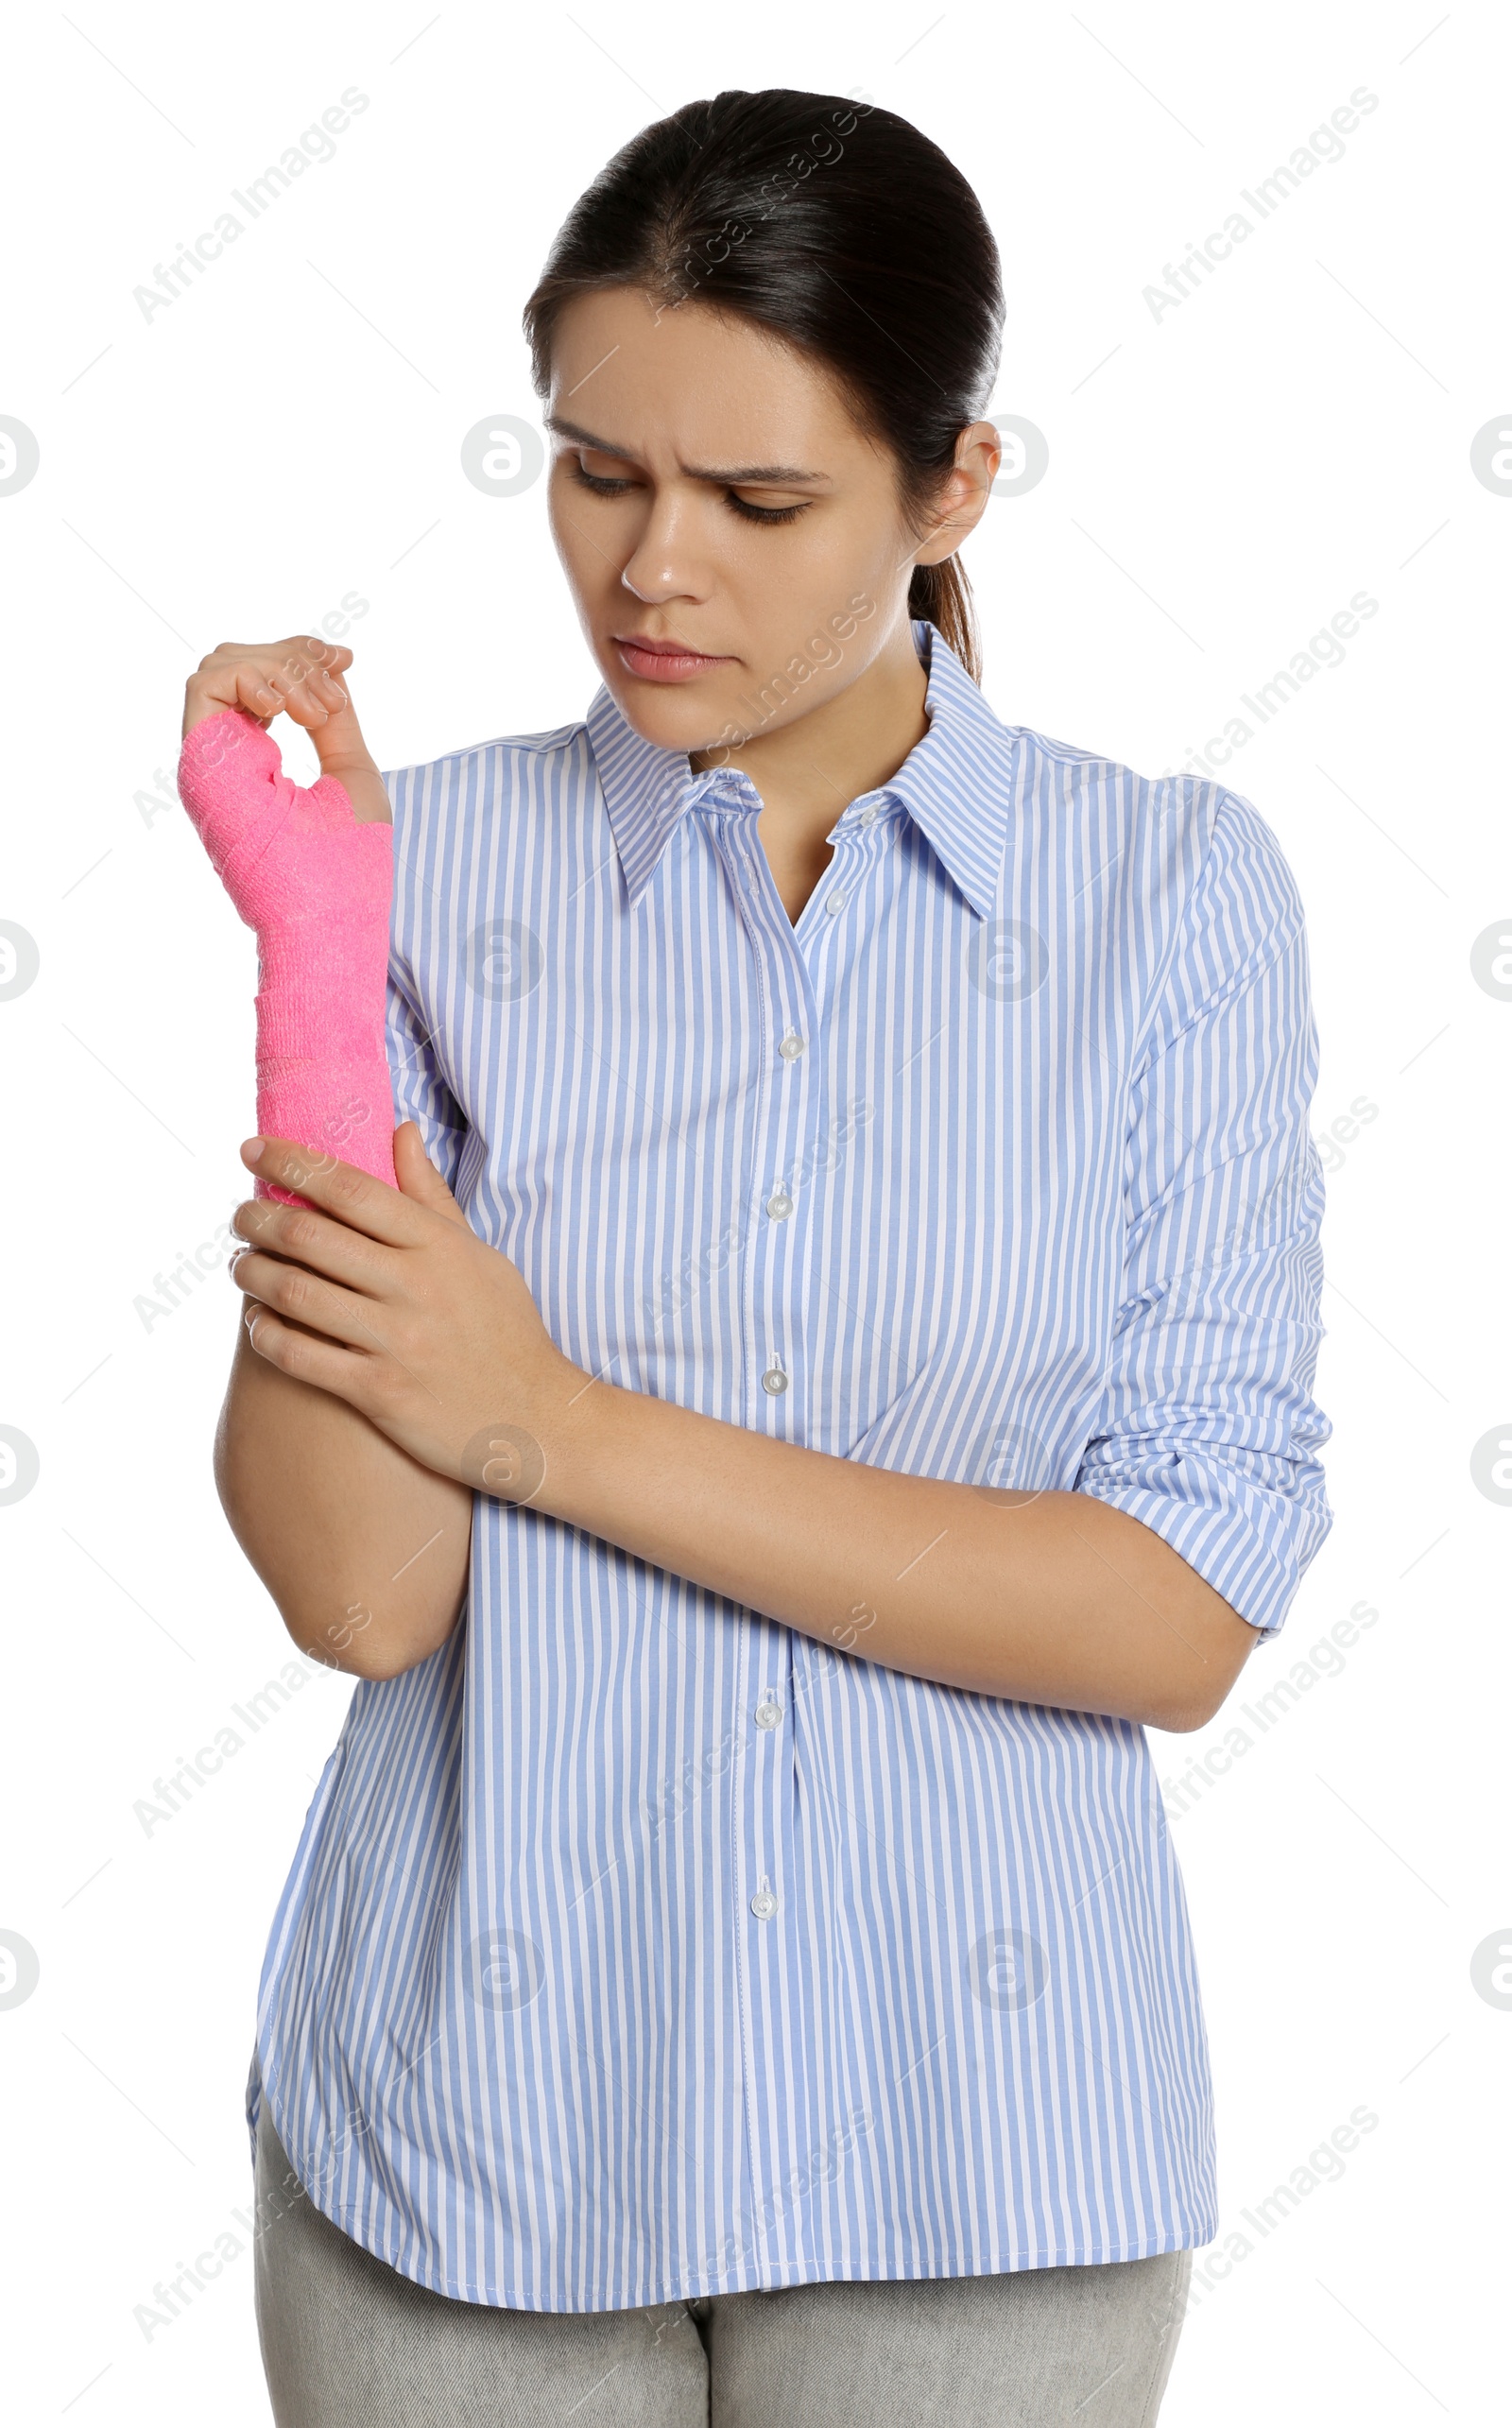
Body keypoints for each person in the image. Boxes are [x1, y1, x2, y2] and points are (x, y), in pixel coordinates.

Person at [180, 87, 1332, 2427]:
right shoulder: (420, 870)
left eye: (758, 500)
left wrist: (547, 1424)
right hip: (467, 2149)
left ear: (948, 492)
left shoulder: (1165, 899)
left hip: (981, 2158)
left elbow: (1171, 1607)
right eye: (596, 475)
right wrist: (319, 958)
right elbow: (363, 1595)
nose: (648, 571)